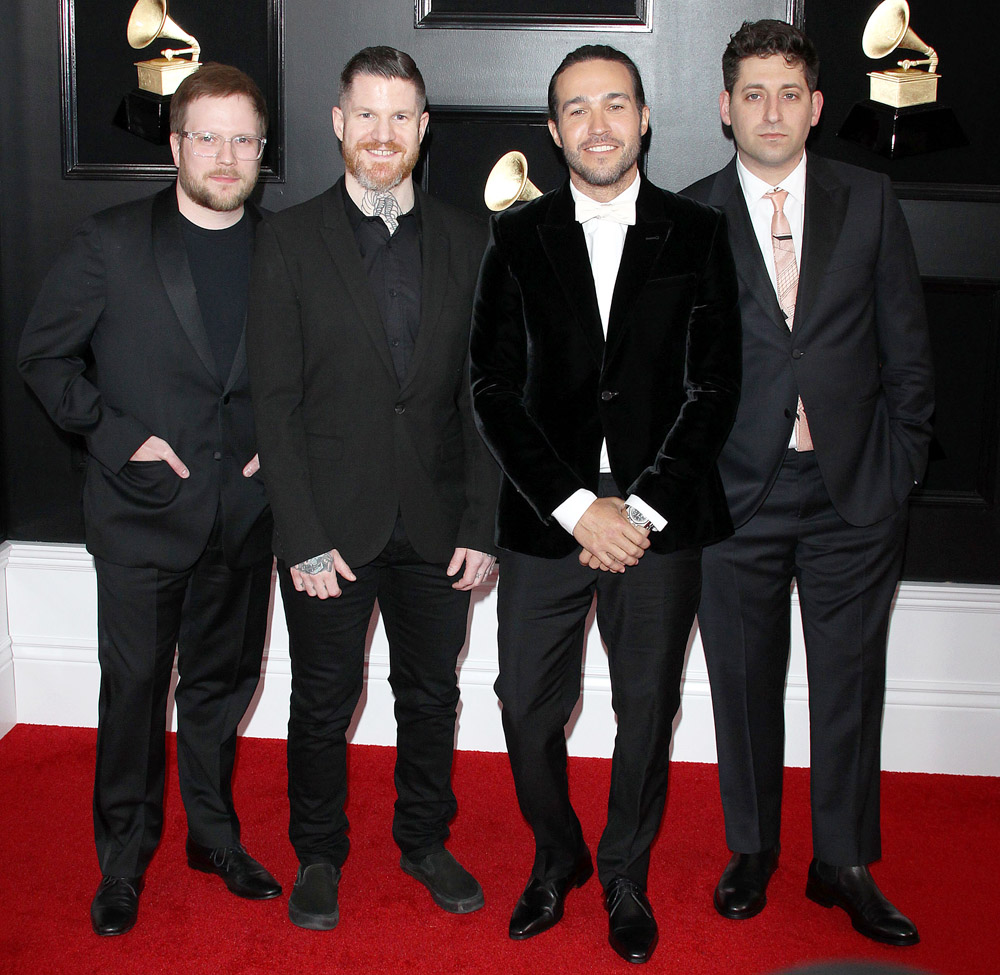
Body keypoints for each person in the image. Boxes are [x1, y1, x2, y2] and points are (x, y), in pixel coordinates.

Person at [470, 44, 741, 965]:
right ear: (553, 132)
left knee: (645, 706)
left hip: (661, 522)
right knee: (522, 707)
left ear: (645, 118)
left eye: (615, 104)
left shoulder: (699, 233)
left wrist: (643, 509)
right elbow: (493, 390)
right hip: (550, 517)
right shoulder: (515, 238)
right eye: (576, 109)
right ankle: (560, 856)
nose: (597, 124)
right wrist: (579, 505)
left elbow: (715, 389)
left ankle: (626, 870)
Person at [683, 20, 933, 946]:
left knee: (848, 683)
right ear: (725, 108)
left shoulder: (868, 200)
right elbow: (672, 371)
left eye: (790, 92)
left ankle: (844, 860)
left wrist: (899, 464)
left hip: (854, 493)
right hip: (735, 496)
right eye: (753, 93)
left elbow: (908, 349)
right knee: (742, 681)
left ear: (817, 105)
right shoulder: (691, 212)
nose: (772, 110)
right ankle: (752, 848)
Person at [18, 63, 281, 936]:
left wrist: (274, 453)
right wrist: (123, 434)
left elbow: (315, 381)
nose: (225, 153)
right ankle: (123, 859)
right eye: (206, 135)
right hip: (139, 511)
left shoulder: (288, 250)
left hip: (242, 517)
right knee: (133, 689)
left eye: (242, 137)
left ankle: (212, 835)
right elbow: (46, 360)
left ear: (261, 149)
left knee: (219, 685)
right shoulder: (111, 242)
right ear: (174, 145)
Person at [246, 46, 499, 932]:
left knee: (431, 694)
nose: (383, 134)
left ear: (423, 130)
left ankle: (424, 839)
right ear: (338, 123)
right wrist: (301, 532)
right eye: (368, 115)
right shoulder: (285, 236)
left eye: (402, 117)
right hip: (330, 530)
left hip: (438, 524)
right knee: (322, 698)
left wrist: (483, 520)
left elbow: (485, 394)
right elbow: (273, 402)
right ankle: (318, 851)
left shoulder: (472, 239)